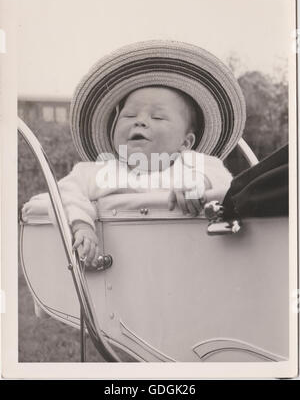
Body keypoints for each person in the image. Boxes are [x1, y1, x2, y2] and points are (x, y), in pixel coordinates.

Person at [22, 40, 246, 270]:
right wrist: (82, 225)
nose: (140, 121)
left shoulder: (194, 164)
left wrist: (198, 186)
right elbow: (64, 193)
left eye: (157, 117)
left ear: (186, 142)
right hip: (123, 272)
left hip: (190, 265)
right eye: (129, 115)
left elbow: (225, 182)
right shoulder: (101, 171)